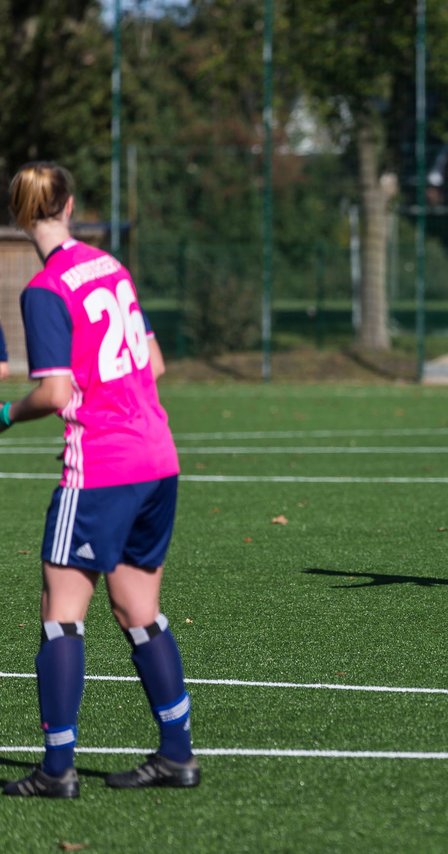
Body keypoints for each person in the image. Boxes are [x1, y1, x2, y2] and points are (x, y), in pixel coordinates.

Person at [1, 162, 198, 798]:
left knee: (61, 617)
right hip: (158, 458)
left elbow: (56, 391)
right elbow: (156, 362)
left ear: (18, 214)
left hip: (102, 469)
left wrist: (4, 414)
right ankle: (177, 755)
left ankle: (57, 769)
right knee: (139, 611)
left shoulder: (45, 289)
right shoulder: (110, 266)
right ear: (72, 205)